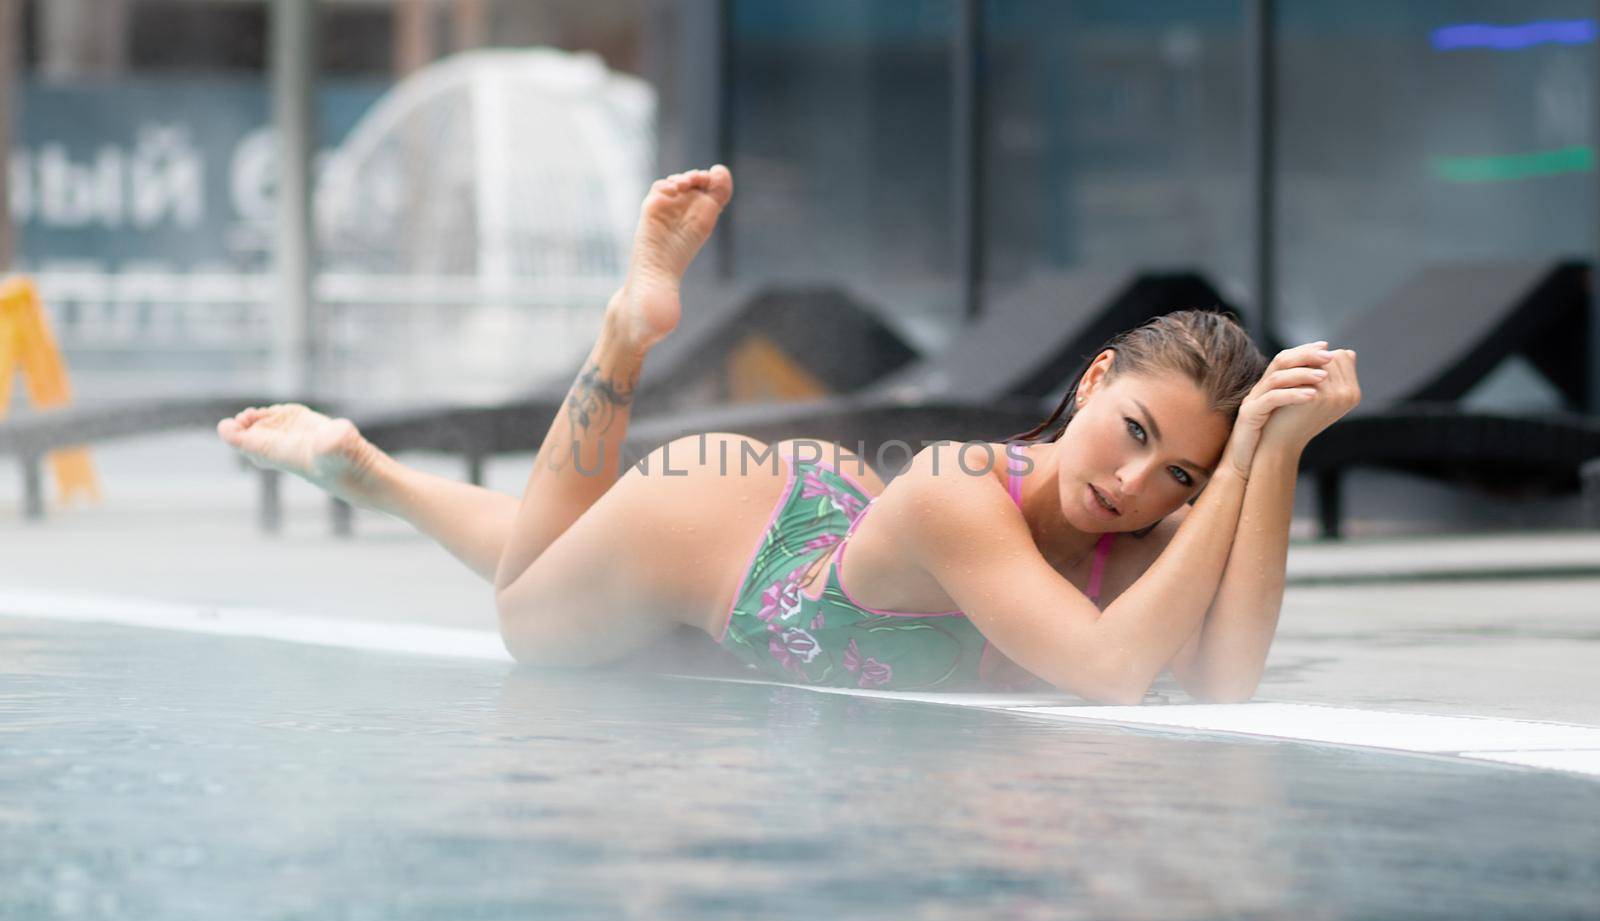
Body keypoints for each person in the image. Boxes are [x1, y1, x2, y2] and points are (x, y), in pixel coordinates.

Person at [217, 165, 1361, 704]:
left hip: (829, 524)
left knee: (546, 554)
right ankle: (625, 333)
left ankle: (372, 474)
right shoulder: (965, 490)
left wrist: (1275, 453)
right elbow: (1114, 672)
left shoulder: (1146, 527)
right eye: (1131, 428)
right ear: (1096, 374)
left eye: (1178, 472)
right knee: (529, 615)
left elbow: (1219, 688)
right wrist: (1241, 460)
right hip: (722, 530)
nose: (1130, 479)